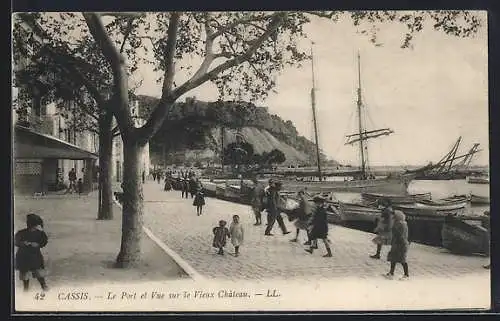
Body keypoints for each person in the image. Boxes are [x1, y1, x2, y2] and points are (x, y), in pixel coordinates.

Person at [15, 213, 49, 291]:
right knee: (25, 274)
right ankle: (26, 290)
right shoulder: (21, 233)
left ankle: (44, 287)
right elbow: (15, 241)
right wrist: (22, 243)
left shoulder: (40, 233)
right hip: (24, 256)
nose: (28, 224)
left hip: (34, 256)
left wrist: (37, 244)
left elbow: (44, 242)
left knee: (39, 273)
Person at [385, 210, 410, 280]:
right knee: (393, 259)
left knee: (402, 260)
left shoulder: (400, 224)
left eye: (393, 216)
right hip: (397, 243)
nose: (392, 217)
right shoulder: (399, 223)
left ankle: (406, 275)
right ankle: (391, 273)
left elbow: (400, 235)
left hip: (401, 244)